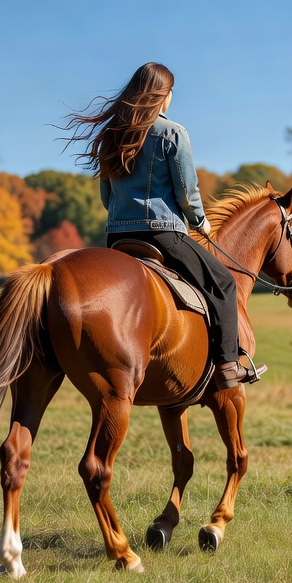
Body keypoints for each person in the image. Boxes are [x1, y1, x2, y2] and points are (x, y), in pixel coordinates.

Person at [66, 62, 257, 386]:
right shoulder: (173, 133)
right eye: (169, 93)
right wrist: (201, 222)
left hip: (116, 238)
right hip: (163, 233)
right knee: (223, 282)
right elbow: (187, 191)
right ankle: (227, 367)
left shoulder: (114, 134)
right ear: (162, 95)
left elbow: (106, 195)